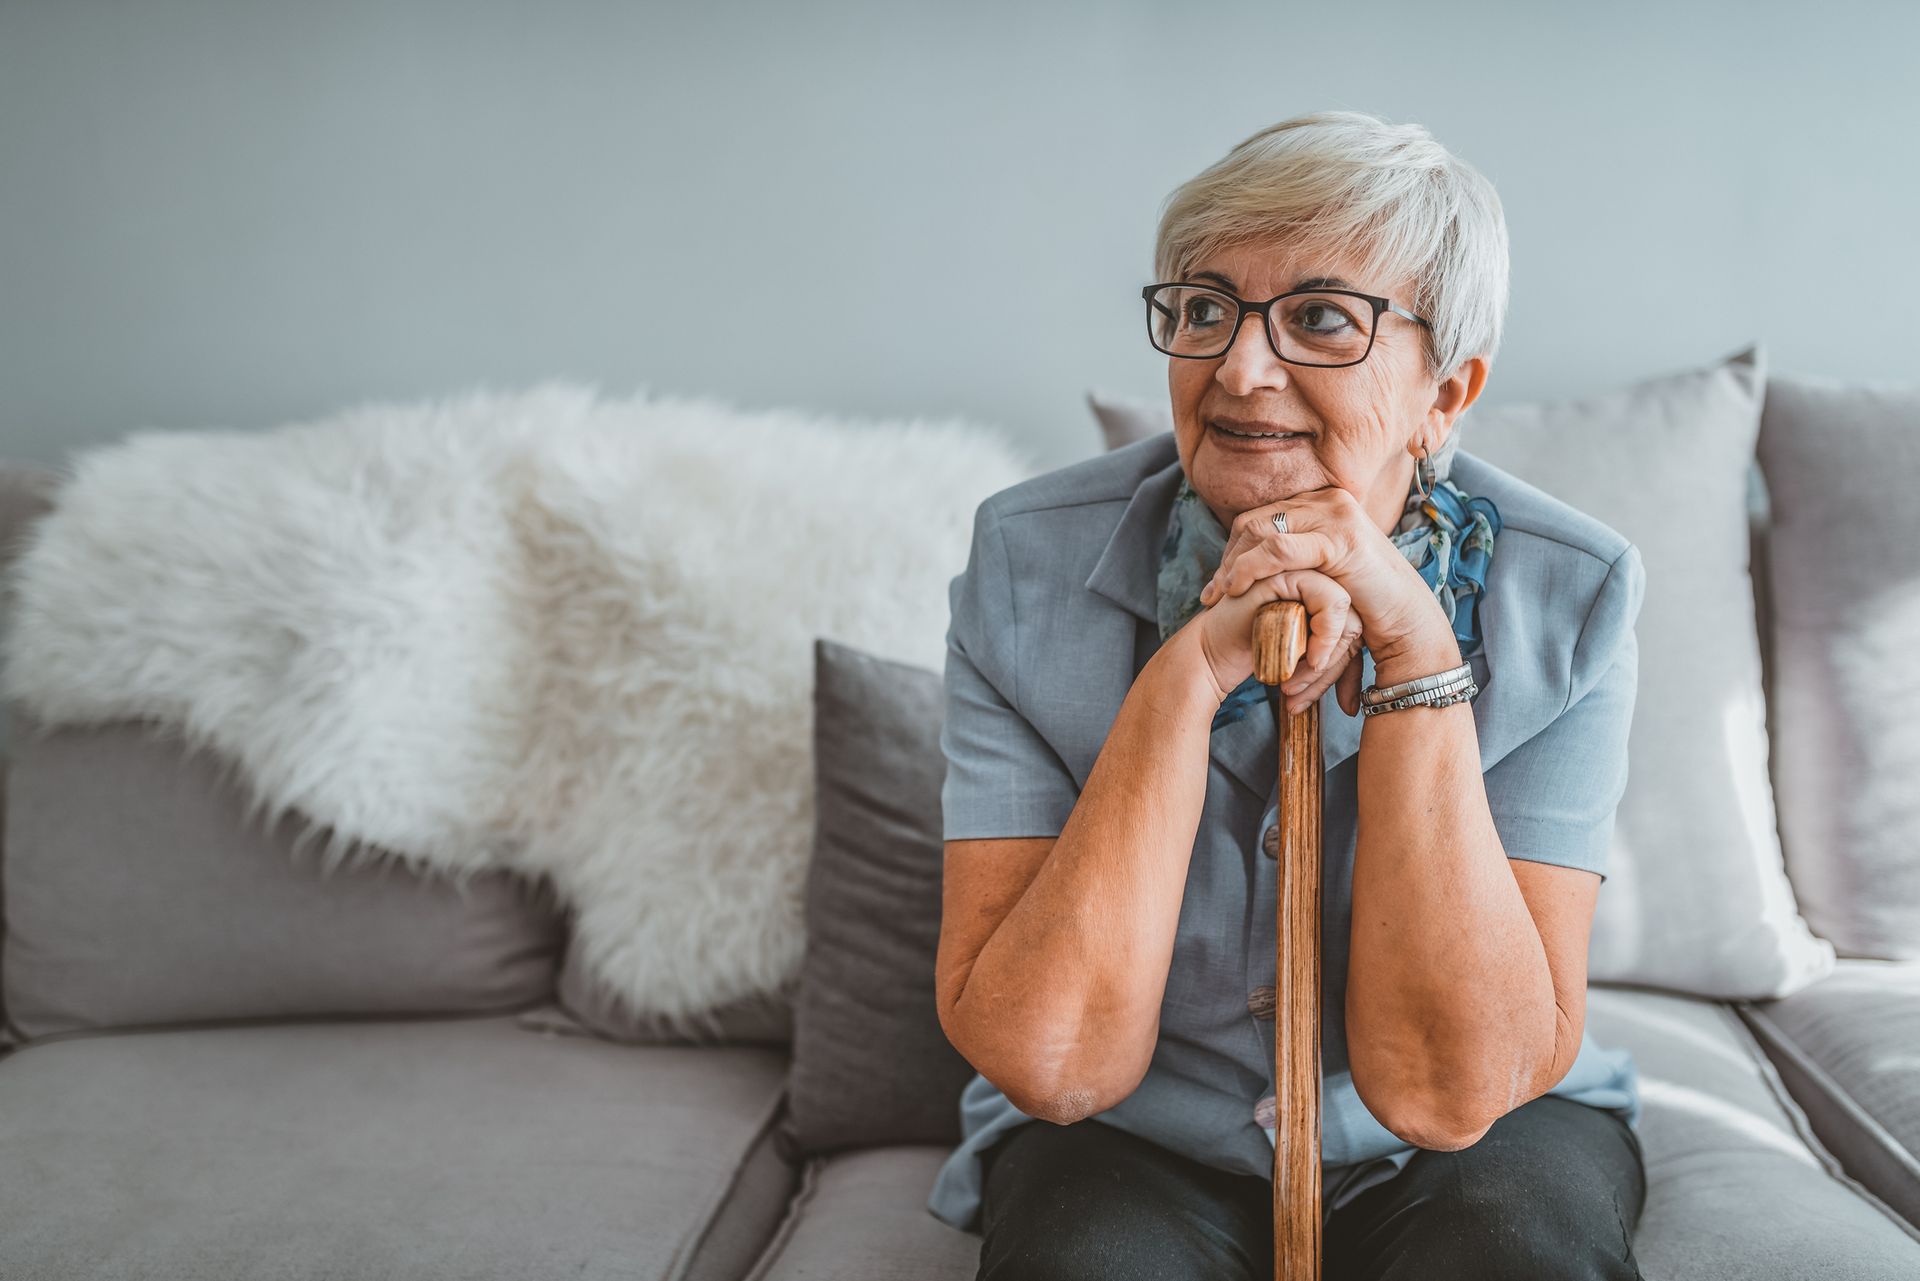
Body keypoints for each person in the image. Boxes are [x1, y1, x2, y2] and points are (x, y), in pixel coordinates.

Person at [927, 110, 1649, 1280]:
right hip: (1134, 1130)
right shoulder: (1026, 564)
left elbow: (1449, 1090)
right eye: (1204, 308)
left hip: (1476, 1140)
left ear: (1445, 393)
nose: (1238, 369)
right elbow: (1052, 1062)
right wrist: (1195, 667)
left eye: (1321, 317)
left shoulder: (1576, 592)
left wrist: (1416, 650)